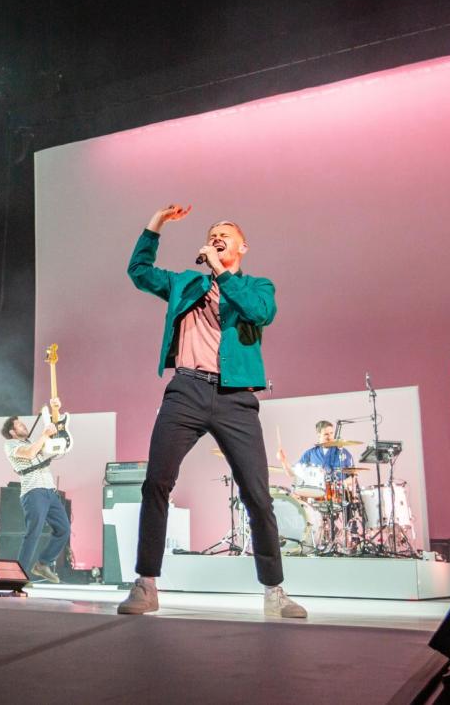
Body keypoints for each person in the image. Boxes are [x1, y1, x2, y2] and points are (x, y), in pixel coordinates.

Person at [118, 203, 306, 619]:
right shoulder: (185, 283)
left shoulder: (258, 285)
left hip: (235, 398)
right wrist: (156, 224)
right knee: (156, 483)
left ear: (243, 245)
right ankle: (146, 584)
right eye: (213, 232)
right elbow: (139, 271)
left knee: (258, 495)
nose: (218, 236)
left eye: (226, 233)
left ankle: (274, 591)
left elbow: (260, 314)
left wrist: (222, 272)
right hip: (186, 389)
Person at [1, 402, 71, 584]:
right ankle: (20, 575)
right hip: (33, 492)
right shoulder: (10, 445)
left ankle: (43, 564)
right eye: (19, 424)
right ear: (12, 432)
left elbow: (55, 442)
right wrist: (43, 434)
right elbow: (30, 453)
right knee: (34, 532)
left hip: (49, 491)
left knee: (64, 529)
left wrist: (54, 411)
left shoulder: (34, 441)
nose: (24, 425)